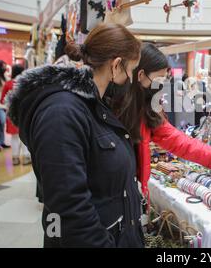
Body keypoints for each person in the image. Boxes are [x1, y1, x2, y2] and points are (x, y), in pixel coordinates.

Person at [8, 23, 144, 248]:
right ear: (117, 65)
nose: (130, 82)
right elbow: (70, 208)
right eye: (131, 71)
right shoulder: (62, 112)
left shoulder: (94, 105)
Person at [113, 44, 211, 208]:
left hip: (132, 195)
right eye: (159, 79)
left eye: (165, 79)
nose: (162, 85)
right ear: (141, 75)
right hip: (114, 196)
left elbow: (176, 140)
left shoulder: (148, 108)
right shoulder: (115, 107)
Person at [0, 64, 30, 166]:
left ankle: (15, 158)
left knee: (14, 137)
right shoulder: (26, 83)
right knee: (25, 135)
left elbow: (2, 100)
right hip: (25, 113)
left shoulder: (8, 84)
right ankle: (26, 157)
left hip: (12, 113)